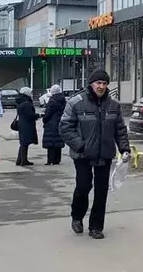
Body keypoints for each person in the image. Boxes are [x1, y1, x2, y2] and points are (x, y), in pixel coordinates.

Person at [59, 70, 130, 239]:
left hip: (105, 154)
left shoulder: (113, 105)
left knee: (101, 191)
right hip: (83, 154)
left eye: (104, 83)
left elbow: (120, 129)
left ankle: (96, 227)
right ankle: (77, 216)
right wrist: (81, 145)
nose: (101, 86)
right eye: (98, 83)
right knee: (83, 186)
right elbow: (65, 127)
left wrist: (124, 148)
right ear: (91, 84)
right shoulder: (76, 102)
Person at [41, 84, 66, 165]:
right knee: (58, 142)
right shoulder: (63, 100)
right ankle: (57, 160)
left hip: (51, 124)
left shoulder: (52, 101)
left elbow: (48, 113)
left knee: (51, 143)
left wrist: (44, 119)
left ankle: (50, 160)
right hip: (60, 122)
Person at [13, 87, 39, 167]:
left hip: (22, 123)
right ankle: (23, 160)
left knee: (23, 142)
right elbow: (29, 115)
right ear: (27, 93)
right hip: (26, 124)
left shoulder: (21, 101)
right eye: (30, 93)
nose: (31, 94)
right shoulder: (27, 103)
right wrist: (37, 115)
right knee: (25, 143)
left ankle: (20, 160)